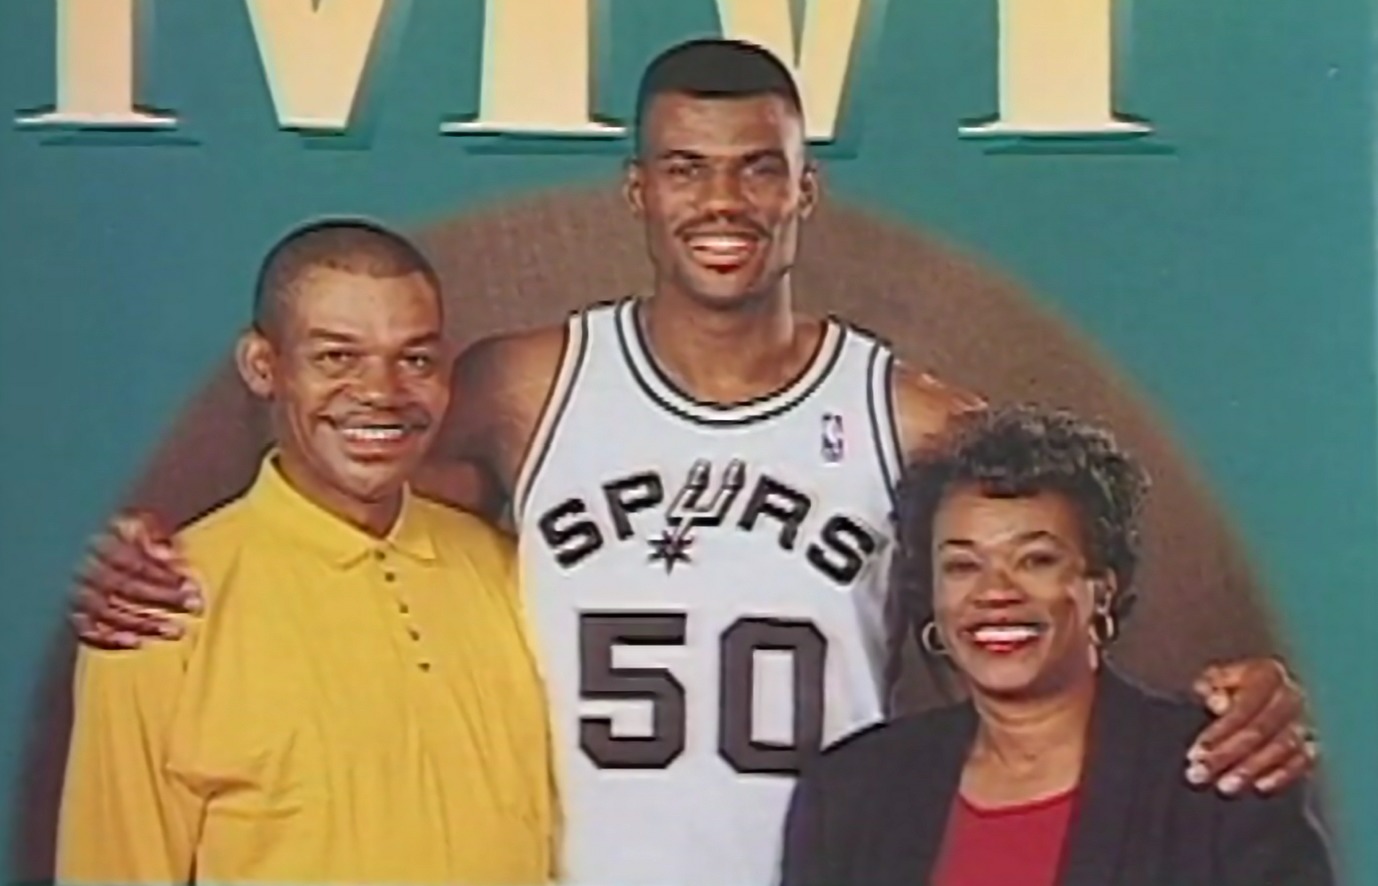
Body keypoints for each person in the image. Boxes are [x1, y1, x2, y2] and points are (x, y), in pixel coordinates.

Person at [68, 39, 1313, 885]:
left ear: (802, 191)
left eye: (757, 168)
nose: (721, 201)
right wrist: (133, 554)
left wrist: (1235, 695)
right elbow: (332, 468)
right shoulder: (526, 381)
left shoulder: (908, 410)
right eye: (684, 167)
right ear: (637, 191)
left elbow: (1059, 561)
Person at [56, 219, 558, 885]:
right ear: (264, 367)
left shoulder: (511, 575)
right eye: (336, 358)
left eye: (415, 359)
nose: (382, 392)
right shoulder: (159, 606)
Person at [780, 406, 1336, 886]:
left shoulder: (1218, 775)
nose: (995, 592)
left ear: (1102, 588)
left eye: (1036, 559)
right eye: (962, 565)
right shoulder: (853, 791)